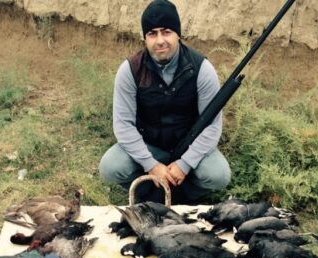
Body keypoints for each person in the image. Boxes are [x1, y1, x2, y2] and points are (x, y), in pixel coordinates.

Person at [99, 0, 231, 204]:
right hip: (149, 146)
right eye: (152, 33)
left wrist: (185, 164)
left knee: (218, 175)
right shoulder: (130, 70)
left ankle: (183, 195)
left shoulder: (202, 70)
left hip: (189, 147)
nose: (160, 40)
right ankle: (148, 192)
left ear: (178, 34)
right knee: (110, 167)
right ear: (145, 38)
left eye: (166, 32)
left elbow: (212, 127)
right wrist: (151, 165)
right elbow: (123, 125)